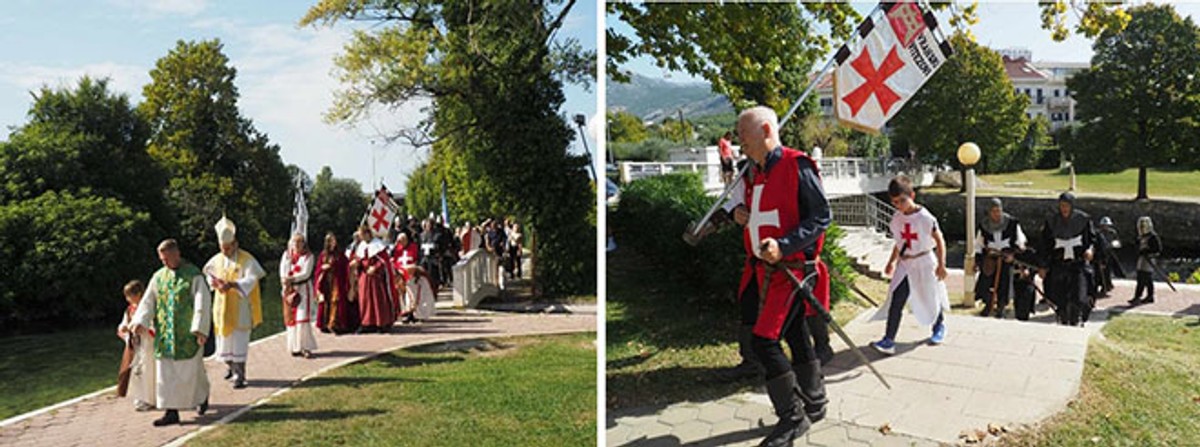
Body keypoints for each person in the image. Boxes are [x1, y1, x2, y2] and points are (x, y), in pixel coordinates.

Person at [728, 106, 830, 447]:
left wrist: (784, 245)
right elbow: (762, 214)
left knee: (764, 340)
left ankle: (793, 418)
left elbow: (820, 217)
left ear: (766, 130)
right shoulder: (754, 172)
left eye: (744, 133)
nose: (739, 140)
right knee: (797, 332)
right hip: (764, 271)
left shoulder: (796, 164)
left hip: (792, 270)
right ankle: (814, 402)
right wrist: (741, 215)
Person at [131, 239, 211, 426]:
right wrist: (139, 322)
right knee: (165, 376)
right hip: (165, 335)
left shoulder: (193, 276)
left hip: (187, 335)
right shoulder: (159, 277)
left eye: (167, 258)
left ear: (177, 254)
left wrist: (200, 328)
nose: (164, 263)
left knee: (192, 372)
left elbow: (202, 302)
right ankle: (170, 412)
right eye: (162, 259)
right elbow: (149, 301)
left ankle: (202, 396)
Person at [870, 175, 950, 354]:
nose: (899, 205)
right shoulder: (897, 218)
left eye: (902, 201)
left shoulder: (925, 217)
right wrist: (891, 262)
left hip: (924, 262)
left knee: (929, 296)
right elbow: (900, 243)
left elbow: (940, 239)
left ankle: (939, 327)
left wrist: (941, 265)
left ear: (912, 195)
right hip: (906, 265)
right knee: (897, 300)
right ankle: (889, 340)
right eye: (895, 202)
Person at [203, 216, 264, 389]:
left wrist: (233, 284)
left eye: (228, 247)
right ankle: (230, 366)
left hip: (240, 306)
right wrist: (214, 283)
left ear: (235, 244)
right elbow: (208, 273)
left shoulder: (246, 259)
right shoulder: (217, 259)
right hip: (222, 306)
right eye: (222, 248)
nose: (225, 251)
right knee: (224, 341)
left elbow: (252, 279)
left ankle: (240, 375)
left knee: (238, 340)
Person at [1039, 192, 1094, 327]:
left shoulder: (1083, 220)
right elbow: (1044, 245)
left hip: (1077, 264)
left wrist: (1090, 250)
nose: (1064, 209)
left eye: (1067, 206)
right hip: (1059, 264)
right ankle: (1062, 318)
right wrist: (1043, 265)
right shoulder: (1052, 221)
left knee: (1079, 295)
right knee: (1059, 296)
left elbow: (1091, 239)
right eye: (1062, 205)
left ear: (1072, 206)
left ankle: (1076, 320)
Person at [973, 198, 1026, 318]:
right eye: (993, 211)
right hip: (991, 259)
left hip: (1007, 258)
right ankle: (988, 303)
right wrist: (978, 261)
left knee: (1005, 280)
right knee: (985, 279)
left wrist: (1013, 254)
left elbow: (1020, 242)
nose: (996, 214)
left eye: (998, 211)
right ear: (989, 212)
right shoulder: (984, 226)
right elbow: (979, 244)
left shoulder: (1012, 223)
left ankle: (1001, 306)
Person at [117, 280, 155, 412]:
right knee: (135, 371)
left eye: (130, 295)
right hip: (135, 344)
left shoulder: (148, 307)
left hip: (147, 344)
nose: (128, 299)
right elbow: (123, 324)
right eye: (126, 296)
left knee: (147, 371)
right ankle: (140, 397)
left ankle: (150, 398)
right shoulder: (129, 310)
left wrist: (144, 330)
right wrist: (125, 328)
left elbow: (153, 326)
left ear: (139, 294)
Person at [352, 225, 397, 332]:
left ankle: (381, 324)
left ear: (367, 234)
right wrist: (357, 263)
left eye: (362, 235)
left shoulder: (378, 245)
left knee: (378, 301)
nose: (361, 238)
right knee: (365, 301)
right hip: (364, 276)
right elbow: (360, 258)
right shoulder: (361, 246)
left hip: (376, 278)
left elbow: (384, 261)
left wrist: (375, 267)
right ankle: (366, 323)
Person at [280, 233, 318, 358]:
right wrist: (285, 279)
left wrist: (292, 278)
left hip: (303, 290)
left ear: (303, 243)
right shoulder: (287, 255)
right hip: (289, 290)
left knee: (302, 318)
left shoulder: (308, 256)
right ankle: (294, 347)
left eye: (299, 242)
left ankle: (305, 347)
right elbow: (282, 269)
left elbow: (306, 273)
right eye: (294, 242)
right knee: (291, 319)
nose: (296, 245)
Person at [316, 232, 358, 334]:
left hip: (337, 281)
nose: (333, 243)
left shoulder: (340, 254)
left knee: (336, 301)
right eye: (330, 241)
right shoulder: (323, 255)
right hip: (326, 282)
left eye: (334, 241)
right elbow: (317, 270)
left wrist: (352, 266)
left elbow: (346, 266)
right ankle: (325, 324)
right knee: (326, 301)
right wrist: (322, 268)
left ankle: (335, 324)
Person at [1129, 216, 1162, 306]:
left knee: (1144, 278)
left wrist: (1148, 252)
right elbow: (1137, 247)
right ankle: (1149, 296)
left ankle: (1138, 296)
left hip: (1149, 260)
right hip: (1142, 259)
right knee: (1145, 278)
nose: (1142, 228)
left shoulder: (1153, 237)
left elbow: (1158, 250)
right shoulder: (1140, 237)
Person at [1095, 216, 1124, 294]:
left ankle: (1107, 285)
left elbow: (1117, 242)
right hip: (1100, 253)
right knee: (1099, 271)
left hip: (1109, 254)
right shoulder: (1098, 233)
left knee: (1107, 271)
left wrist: (1114, 245)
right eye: (1104, 225)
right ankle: (1101, 285)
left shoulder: (1112, 232)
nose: (1105, 227)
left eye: (1107, 225)